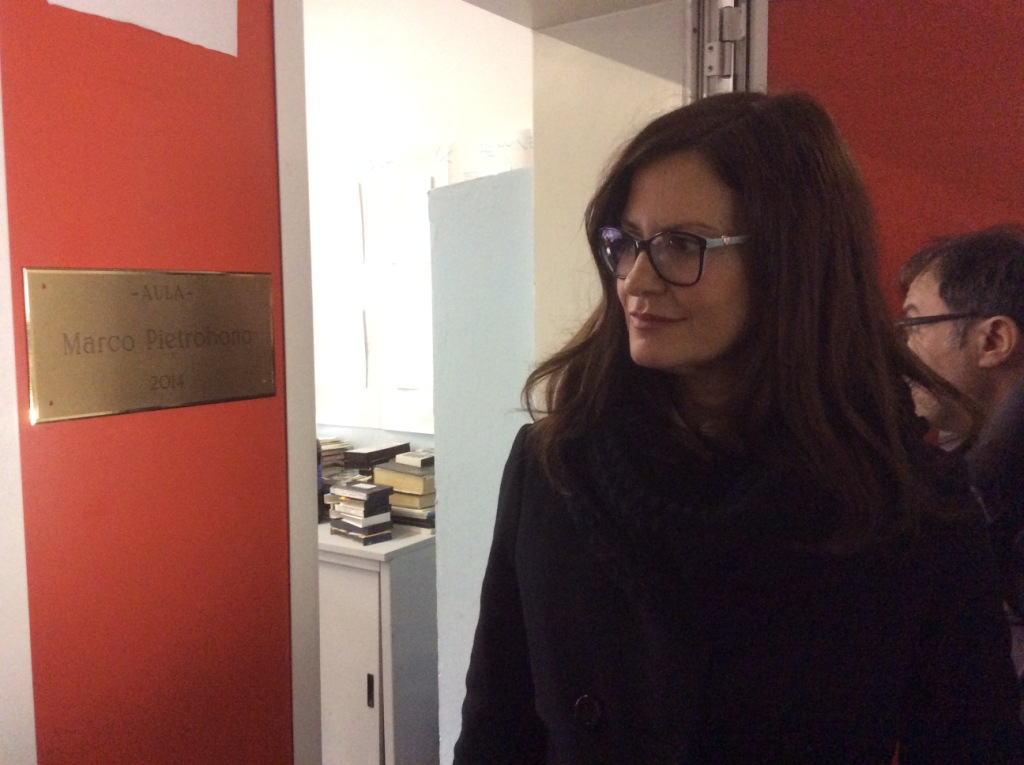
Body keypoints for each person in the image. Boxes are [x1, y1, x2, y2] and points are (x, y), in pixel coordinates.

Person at [452, 91, 1024, 764]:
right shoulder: (554, 466)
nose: (635, 280)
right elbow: (497, 727)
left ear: (793, 260)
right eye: (625, 243)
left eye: (681, 244)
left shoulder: (911, 508)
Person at [898, 226, 1024, 703]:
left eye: (913, 325)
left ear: (993, 340)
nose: (900, 351)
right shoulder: (975, 483)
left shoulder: (984, 499)